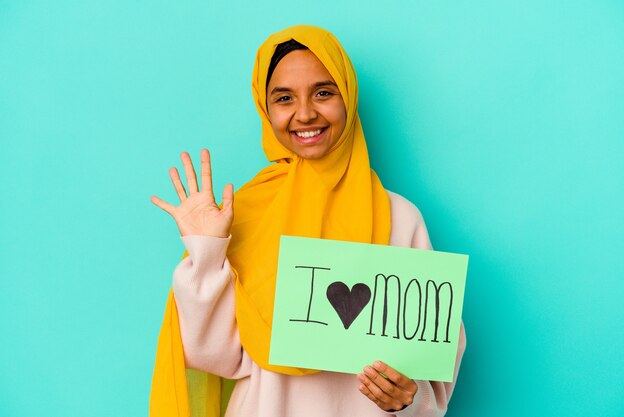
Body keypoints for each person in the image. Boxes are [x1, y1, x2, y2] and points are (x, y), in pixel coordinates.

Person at [149, 24, 466, 417]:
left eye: (323, 92)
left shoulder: (400, 217)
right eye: (284, 98)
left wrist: (408, 397)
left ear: (347, 96)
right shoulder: (242, 214)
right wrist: (206, 251)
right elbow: (216, 356)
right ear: (266, 109)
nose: (305, 113)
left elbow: (432, 364)